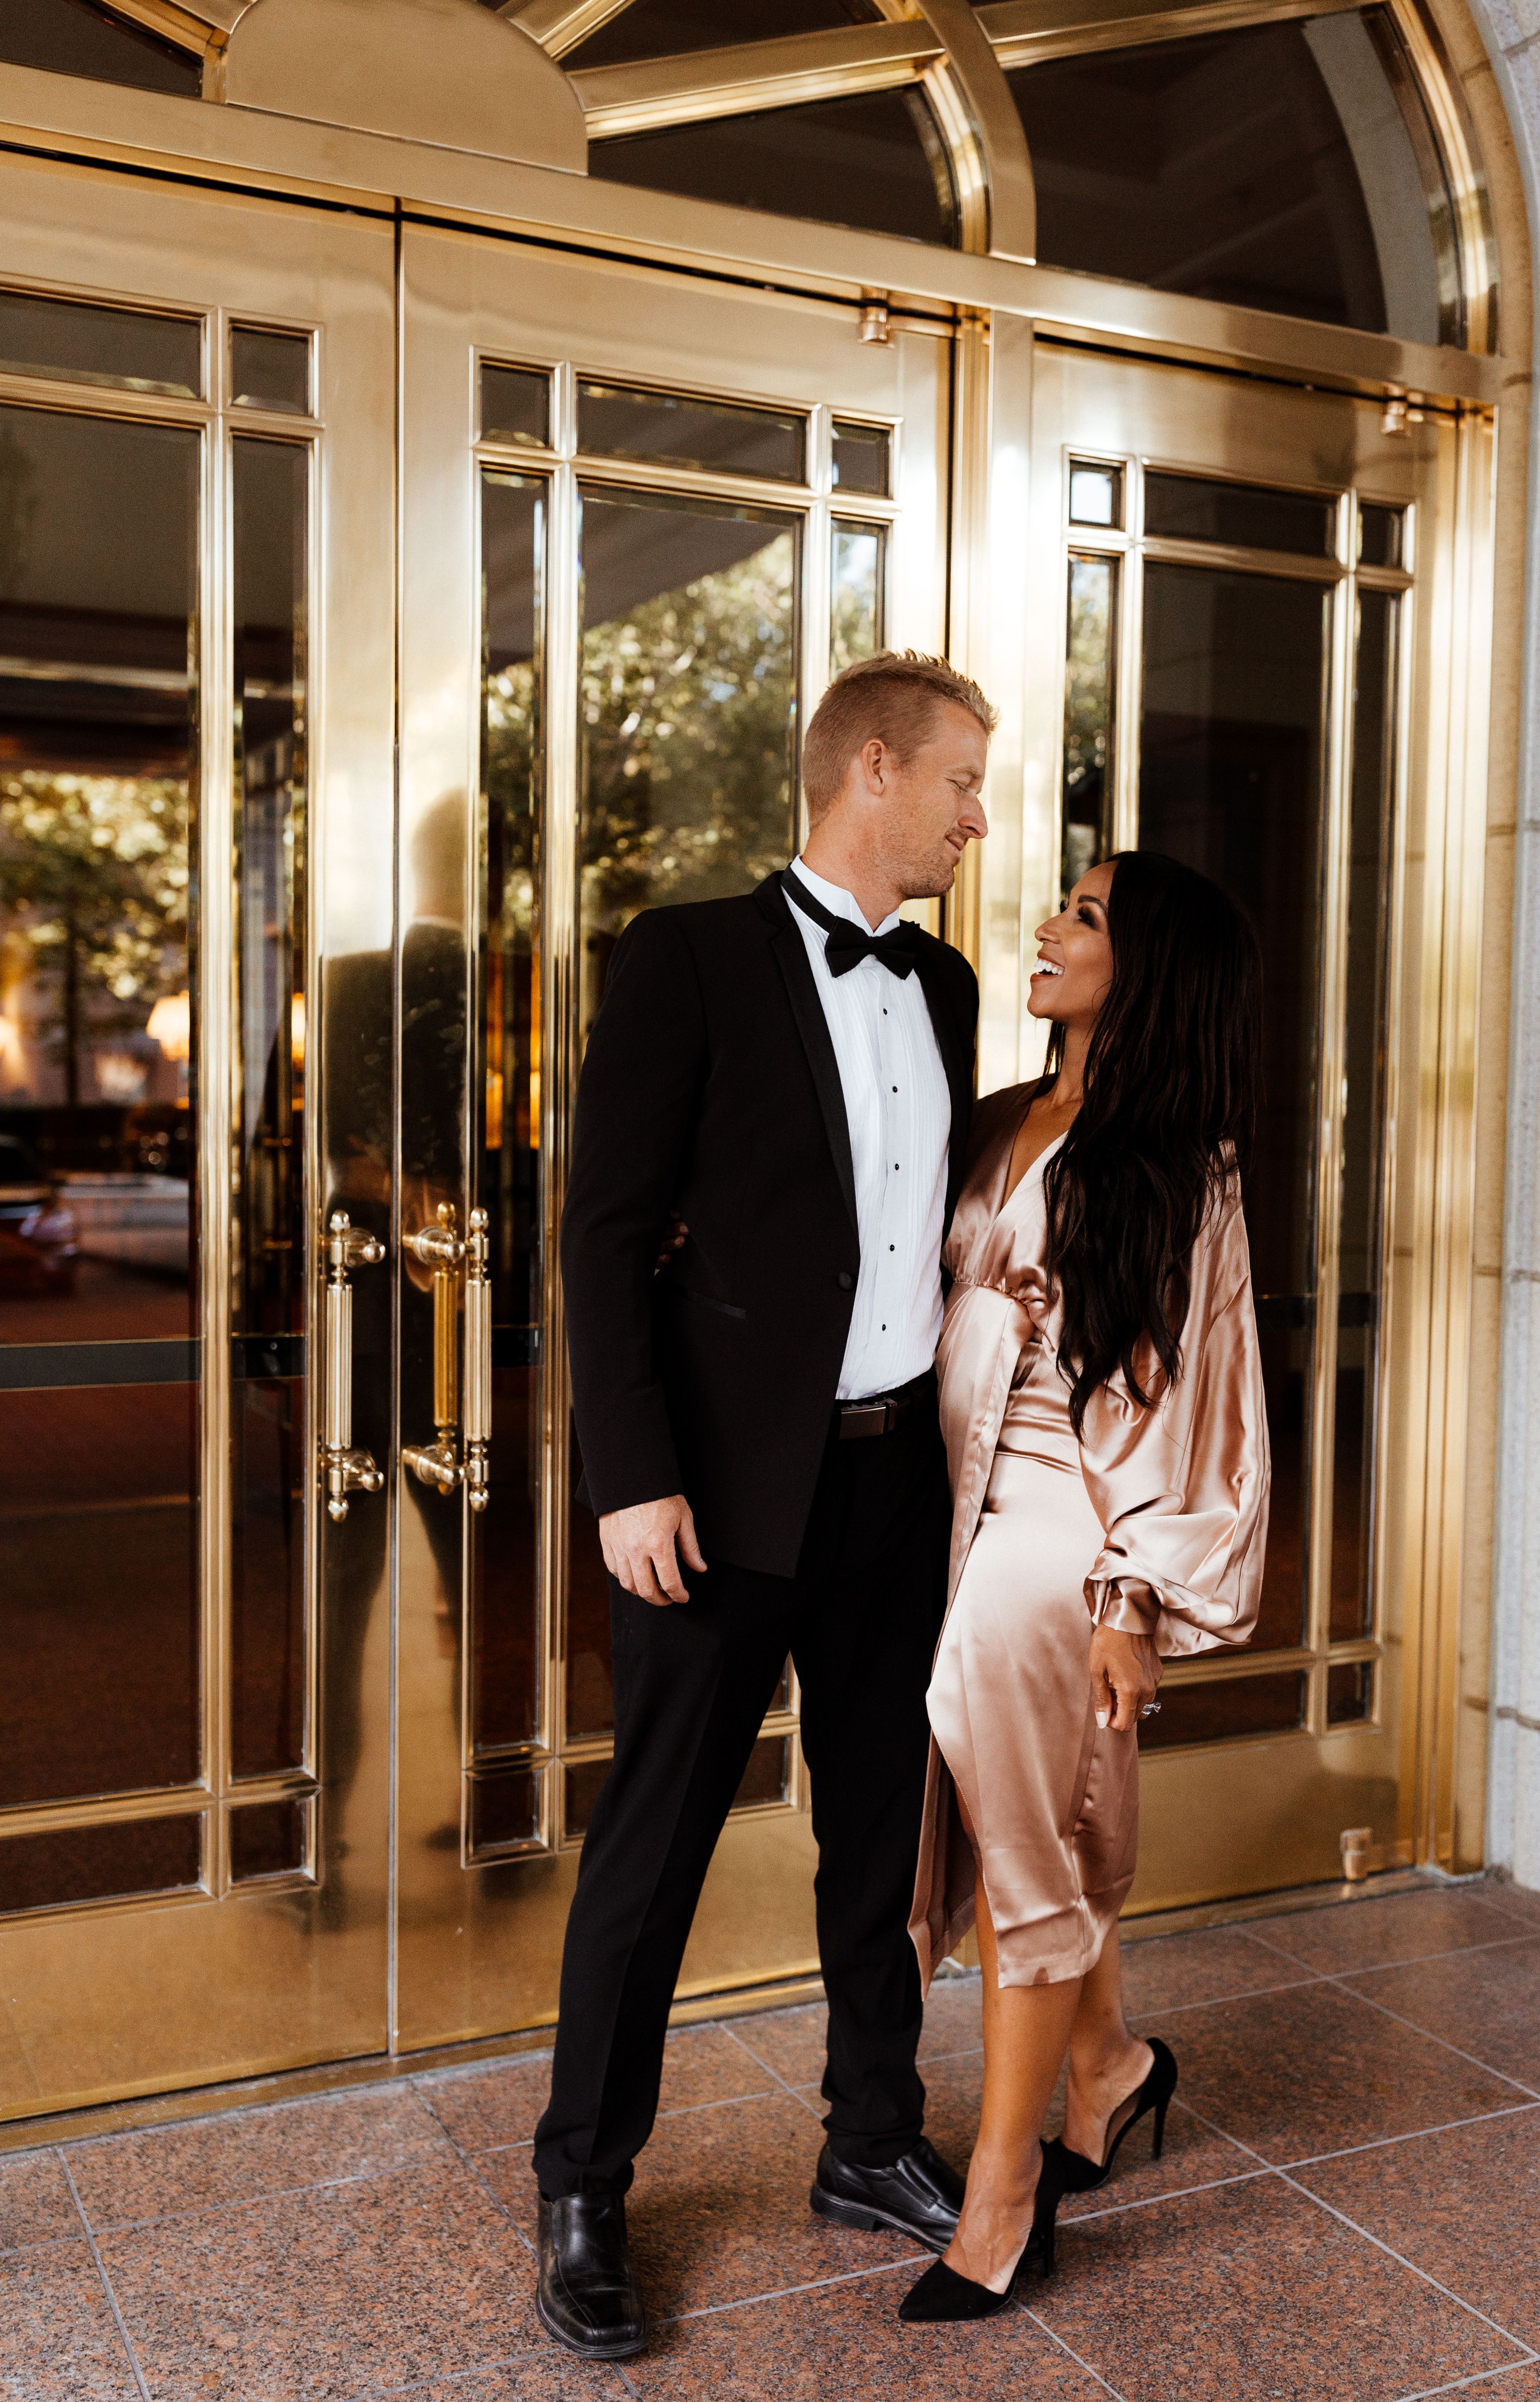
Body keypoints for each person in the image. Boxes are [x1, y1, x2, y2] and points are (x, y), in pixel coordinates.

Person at [535, 651, 995, 2362]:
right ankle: (584, 2183)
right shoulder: (695, 957)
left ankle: (871, 2137)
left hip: (894, 1485)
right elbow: (601, 1231)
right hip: (716, 1500)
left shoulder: (943, 990)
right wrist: (632, 1472)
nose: (974, 817)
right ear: (870, 771)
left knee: (880, 1834)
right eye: (958, 783)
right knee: (650, 1846)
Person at [901, 848, 1269, 2323]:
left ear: (1150, 970)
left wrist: (1135, 1600)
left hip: (1065, 1516)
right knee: (1023, 1803)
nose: (1048, 930)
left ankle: (1001, 2202)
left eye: (1087, 917)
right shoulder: (995, 1122)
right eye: (1061, 904)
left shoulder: (1186, 1164)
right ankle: (1110, 2070)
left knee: (1025, 1858)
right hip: (951, 1495)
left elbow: (1202, 1395)